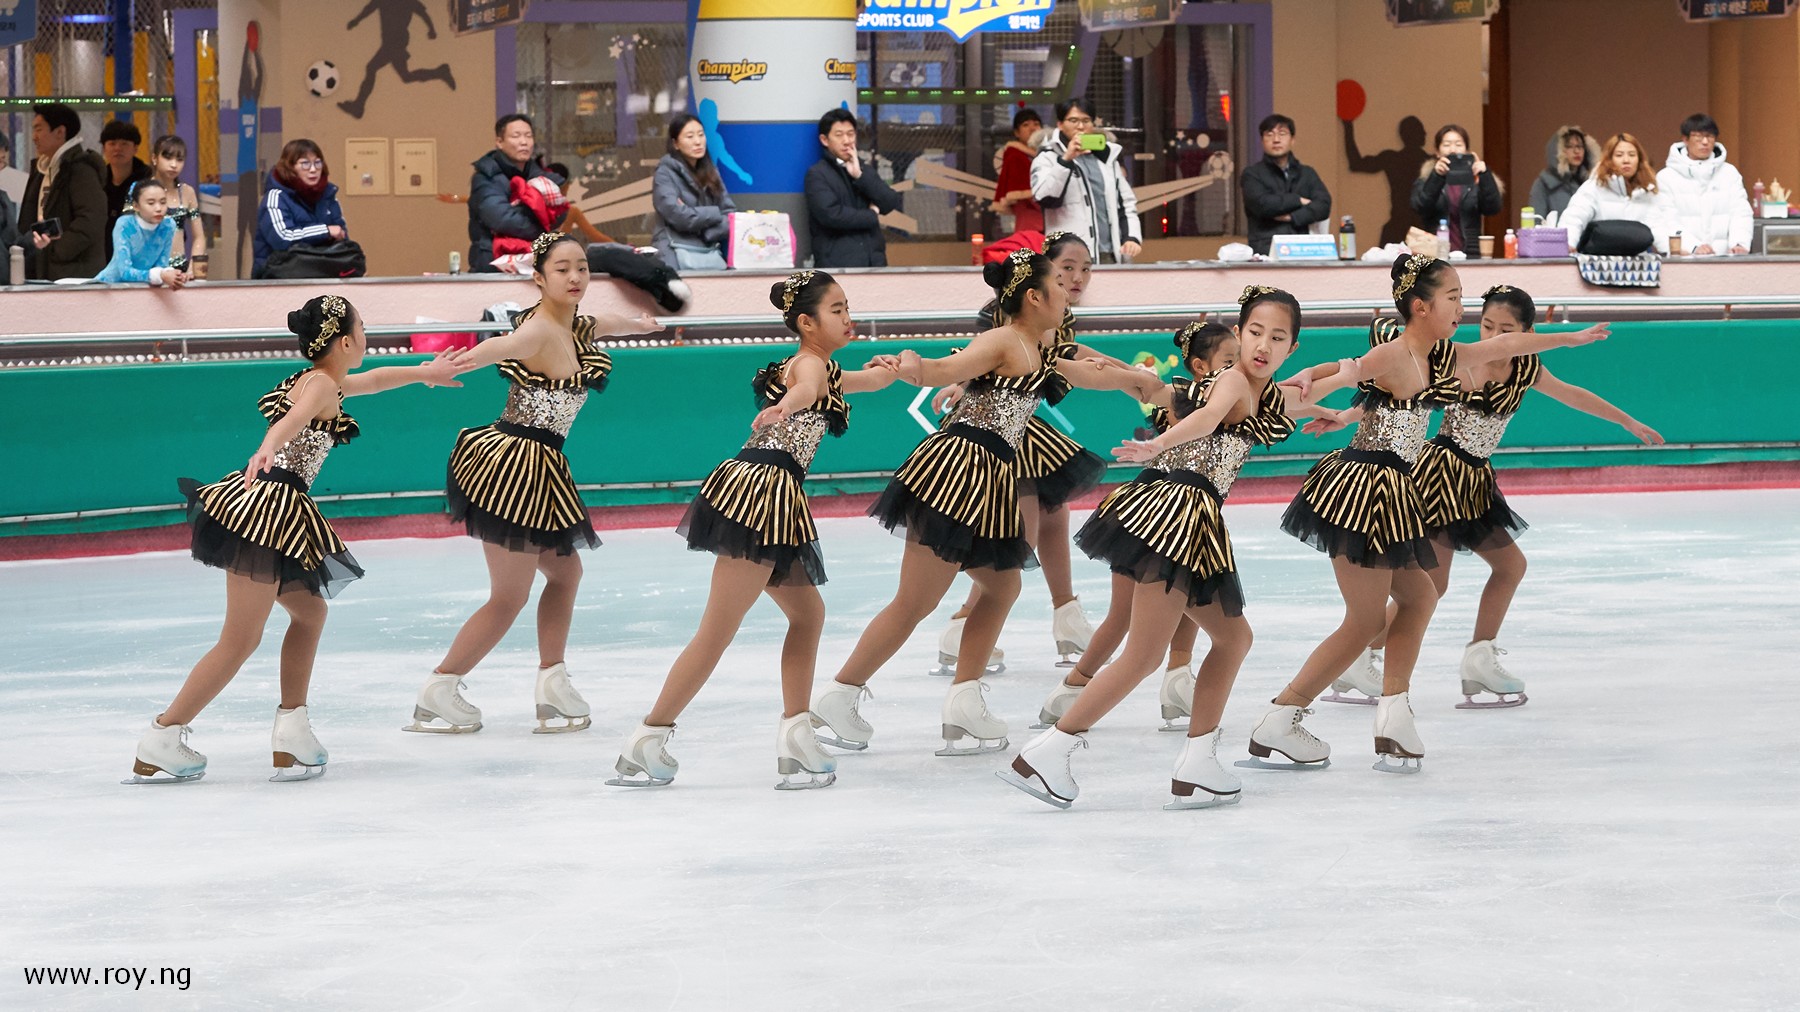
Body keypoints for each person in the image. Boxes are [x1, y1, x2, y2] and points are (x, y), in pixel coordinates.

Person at [1254, 256, 1607, 774]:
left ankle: (1394, 715)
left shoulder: (1440, 355)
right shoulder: (1395, 353)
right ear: (1421, 307)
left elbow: (1504, 347)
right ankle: (1281, 718)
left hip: (1392, 489)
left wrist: (1568, 339)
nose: (1462, 308)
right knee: (1364, 620)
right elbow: (1346, 371)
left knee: (1420, 596)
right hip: (1361, 488)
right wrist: (1303, 383)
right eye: (1454, 298)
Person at [1000, 287, 1345, 810]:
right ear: (1239, 333)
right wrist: (1159, 444)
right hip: (1177, 510)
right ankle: (1050, 751)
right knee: (1144, 655)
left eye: (1277, 338)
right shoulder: (1232, 380)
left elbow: (1299, 400)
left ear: (1292, 348)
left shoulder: (1264, 392)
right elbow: (1207, 417)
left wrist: (1340, 413)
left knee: (1233, 638)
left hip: (1191, 513)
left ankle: (1198, 761)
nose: (1263, 345)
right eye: (1255, 332)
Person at [807, 249, 1155, 758]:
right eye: (1059, 286)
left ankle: (964, 701)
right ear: (1034, 297)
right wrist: (912, 365)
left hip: (989, 476)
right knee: (915, 602)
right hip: (956, 470)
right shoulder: (1003, 339)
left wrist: (1136, 381)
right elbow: (946, 368)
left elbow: (1087, 372)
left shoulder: (1039, 348)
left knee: (1003, 585)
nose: (1067, 293)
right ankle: (841, 693)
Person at [126, 296, 465, 784]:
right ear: (344, 341)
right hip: (267, 509)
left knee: (310, 612)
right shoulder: (321, 384)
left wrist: (423, 372)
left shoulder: (322, 379)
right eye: (362, 328)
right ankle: (164, 734)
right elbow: (295, 418)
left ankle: (293, 729)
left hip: (280, 508)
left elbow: (373, 381)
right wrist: (268, 445)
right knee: (239, 640)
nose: (366, 337)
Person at [608, 271, 901, 790]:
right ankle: (647, 738)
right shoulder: (809, 364)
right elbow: (805, 388)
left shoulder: (828, 368)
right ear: (807, 322)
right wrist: (787, 404)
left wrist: (890, 368)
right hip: (761, 492)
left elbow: (865, 381)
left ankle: (796, 733)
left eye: (847, 307)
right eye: (836, 310)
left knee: (808, 615)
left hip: (777, 494)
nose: (848, 317)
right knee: (717, 630)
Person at [1336, 285, 1663, 708]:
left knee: (1509, 567)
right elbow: (1397, 390)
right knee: (1432, 585)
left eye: (1505, 330)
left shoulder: (1527, 368)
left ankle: (1479, 658)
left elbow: (1571, 393)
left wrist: (1627, 421)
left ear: (1528, 333)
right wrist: (1344, 415)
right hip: (1439, 477)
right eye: (1486, 325)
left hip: (1475, 480)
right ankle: (1361, 655)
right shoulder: (1460, 362)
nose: (1492, 336)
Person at [407, 233, 662, 736]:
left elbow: (607, 322)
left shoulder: (577, 326)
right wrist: (436, 369)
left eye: (582, 267)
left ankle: (552, 683)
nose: (575, 277)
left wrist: (639, 323)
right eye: (562, 269)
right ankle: (440, 687)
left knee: (566, 574)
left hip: (542, 467)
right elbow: (498, 347)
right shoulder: (540, 330)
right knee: (509, 596)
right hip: (511, 467)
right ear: (539, 278)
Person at [1032, 320, 1239, 734]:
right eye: (1229, 359)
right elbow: (1132, 380)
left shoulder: (1225, 393)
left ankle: (1163, 679)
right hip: (1160, 508)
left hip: (1166, 507)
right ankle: (1080, 690)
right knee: (1131, 616)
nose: (1237, 366)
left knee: (1182, 594)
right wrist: (1093, 363)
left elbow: (1132, 377)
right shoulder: (1185, 395)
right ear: (1201, 365)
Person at [929, 232, 1112, 676]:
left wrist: (1132, 375)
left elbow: (1071, 355)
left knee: (1055, 514)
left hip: (1025, 428)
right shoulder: (1010, 311)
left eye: (1086, 269)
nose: (1077, 278)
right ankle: (963, 625)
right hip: (997, 432)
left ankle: (1067, 614)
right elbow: (984, 357)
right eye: (1066, 269)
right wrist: (959, 383)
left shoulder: (1060, 315)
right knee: (1019, 535)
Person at [1030, 99, 1143, 263]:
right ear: (1060, 124)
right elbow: (1046, 198)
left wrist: (1131, 237)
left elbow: (1126, 203)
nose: (1080, 126)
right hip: (1067, 257)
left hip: (1109, 254)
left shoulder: (1106, 158)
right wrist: (1066, 159)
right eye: (1073, 120)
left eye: (1086, 120)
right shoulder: (1047, 157)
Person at [803, 108, 902, 268]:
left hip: (874, 264)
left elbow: (890, 201)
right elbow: (832, 216)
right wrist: (871, 215)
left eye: (850, 134)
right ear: (824, 140)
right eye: (839, 135)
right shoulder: (817, 174)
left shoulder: (863, 169)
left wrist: (860, 176)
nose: (846, 141)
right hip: (838, 266)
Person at [21, 102, 108, 281]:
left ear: (60, 132)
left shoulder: (81, 169)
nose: (34, 137)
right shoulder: (41, 169)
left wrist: (55, 251)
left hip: (74, 276)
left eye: (39, 129)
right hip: (43, 270)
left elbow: (91, 220)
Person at [468, 114, 565, 272]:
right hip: (493, 265)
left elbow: (561, 210)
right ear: (499, 142)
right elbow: (502, 219)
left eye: (528, 136)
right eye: (516, 136)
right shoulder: (486, 177)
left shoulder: (541, 177)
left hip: (534, 263)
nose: (524, 142)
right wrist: (544, 228)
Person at [1558, 133, 1676, 255]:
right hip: (1597, 262)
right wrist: (1567, 244)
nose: (1626, 160)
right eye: (1619, 155)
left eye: (1632, 155)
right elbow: (1574, 219)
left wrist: (1671, 251)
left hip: (1638, 263)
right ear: (1609, 160)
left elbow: (1657, 227)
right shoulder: (1593, 188)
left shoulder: (1647, 192)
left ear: (1639, 160)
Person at [1657, 114, 1753, 256]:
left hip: (1725, 259)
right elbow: (1667, 220)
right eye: (1698, 137)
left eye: (1710, 136)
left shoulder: (1729, 173)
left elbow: (1741, 212)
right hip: (1684, 259)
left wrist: (1739, 244)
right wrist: (1694, 246)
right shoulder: (1666, 177)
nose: (1705, 142)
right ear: (1685, 139)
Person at [652, 112, 737, 270]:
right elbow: (679, 216)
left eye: (701, 134)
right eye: (690, 136)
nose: (697, 141)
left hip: (709, 252)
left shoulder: (711, 171)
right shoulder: (664, 173)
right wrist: (714, 213)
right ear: (675, 144)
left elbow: (730, 215)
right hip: (674, 252)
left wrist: (709, 234)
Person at [253, 139, 348, 278]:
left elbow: (342, 236)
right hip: (278, 279)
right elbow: (282, 238)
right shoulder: (276, 197)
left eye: (317, 163)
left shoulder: (329, 196)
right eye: (305, 164)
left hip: (323, 276)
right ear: (290, 167)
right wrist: (325, 231)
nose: (313, 169)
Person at [1241, 113, 1332, 256]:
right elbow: (1262, 204)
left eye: (1282, 134)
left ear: (1292, 140)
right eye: (1269, 134)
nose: (1276, 140)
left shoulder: (1307, 173)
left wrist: (1293, 217)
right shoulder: (1252, 174)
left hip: (1303, 248)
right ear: (1262, 141)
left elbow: (1324, 205)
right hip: (1266, 249)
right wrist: (1298, 200)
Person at [1410, 124, 1503, 257]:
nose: (1453, 150)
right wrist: (1437, 176)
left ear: (1466, 150)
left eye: (1458, 144)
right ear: (1437, 151)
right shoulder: (1427, 178)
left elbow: (1492, 208)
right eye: (1446, 145)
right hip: (1435, 254)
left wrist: (1485, 176)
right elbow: (1420, 207)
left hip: (1470, 254)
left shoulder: (1475, 179)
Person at [94, 180, 191, 288]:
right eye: (151, 203)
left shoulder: (168, 225)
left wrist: (176, 276)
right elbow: (124, 272)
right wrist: (160, 275)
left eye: (163, 202)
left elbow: (161, 265)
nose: (159, 208)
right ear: (136, 206)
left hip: (143, 288)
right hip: (108, 286)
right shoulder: (125, 224)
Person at [148, 135, 209, 277]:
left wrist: (192, 268)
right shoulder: (141, 190)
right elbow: (129, 233)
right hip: (150, 271)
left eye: (179, 159)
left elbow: (199, 236)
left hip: (180, 271)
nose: (174, 164)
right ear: (154, 158)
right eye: (168, 158)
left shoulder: (187, 192)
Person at [99, 120, 154, 259]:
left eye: (124, 144)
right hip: (103, 255)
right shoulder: (97, 180)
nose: (118, 148)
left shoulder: (148, 179)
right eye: (112, 143)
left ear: (135, 148)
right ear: (104, 148)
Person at [1527, 125, 1598, 220]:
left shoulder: (1590, 182)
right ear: (1558, 150)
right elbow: (1536, 220)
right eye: (1569, 146)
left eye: (1580, 146)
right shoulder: (1543, 184)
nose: (1577, 151)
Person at [992, 107, 1044, 234]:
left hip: (1048, 221)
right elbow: (1023, 194)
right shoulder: (1015, 156)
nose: (1032, 128)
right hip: (1032, 223)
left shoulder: (1047, 154)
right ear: (1016, 133)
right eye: (1026, 125)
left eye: (1036, 124)